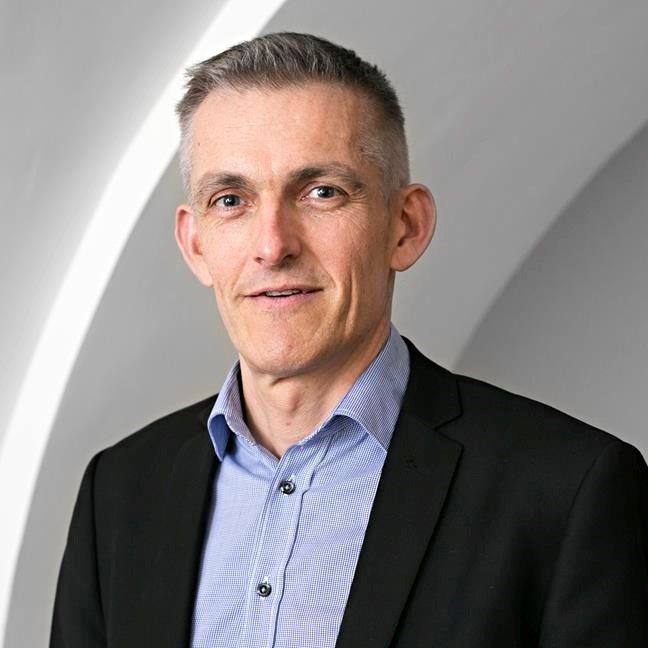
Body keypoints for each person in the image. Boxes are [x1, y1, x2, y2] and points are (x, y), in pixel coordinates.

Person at [50, 32, 648, 647]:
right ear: (196, 243)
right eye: (230, 200)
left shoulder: (568, 490)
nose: (273, 245)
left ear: (405, 226)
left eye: (322, 193)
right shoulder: (118, 493)